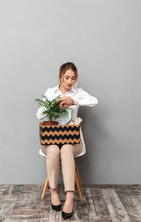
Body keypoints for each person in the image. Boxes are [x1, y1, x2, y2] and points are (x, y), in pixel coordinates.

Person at [36, 62, 98, 220]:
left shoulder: (78, 93)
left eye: (73, 78)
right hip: (50, 140)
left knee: (66, 148)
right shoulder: (51, 92)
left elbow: (94, 101)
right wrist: (54, 103)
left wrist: (74, 102)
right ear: (60, 77)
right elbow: (39, 116)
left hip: (73, 140)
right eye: (67, 77)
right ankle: (54, 191)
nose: (70, 81)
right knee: (54, 149)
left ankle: (70, 197)